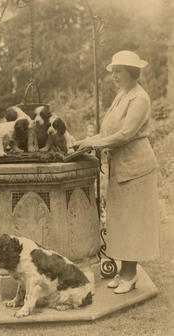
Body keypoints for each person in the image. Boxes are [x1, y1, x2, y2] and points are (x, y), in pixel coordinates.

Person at [77, 50, 160, 294]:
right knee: (121, 221)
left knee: (133, 221)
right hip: (121, 166)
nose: (114, 75)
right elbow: (107, 133)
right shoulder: (122, 95)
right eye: (113, 71)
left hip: (137, 167)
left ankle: (130, 275)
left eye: (119, 71)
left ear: (132, 72)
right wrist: (84, 141)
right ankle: (124, 273)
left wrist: (94, 144)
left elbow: (125, 134)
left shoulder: (139, 98)